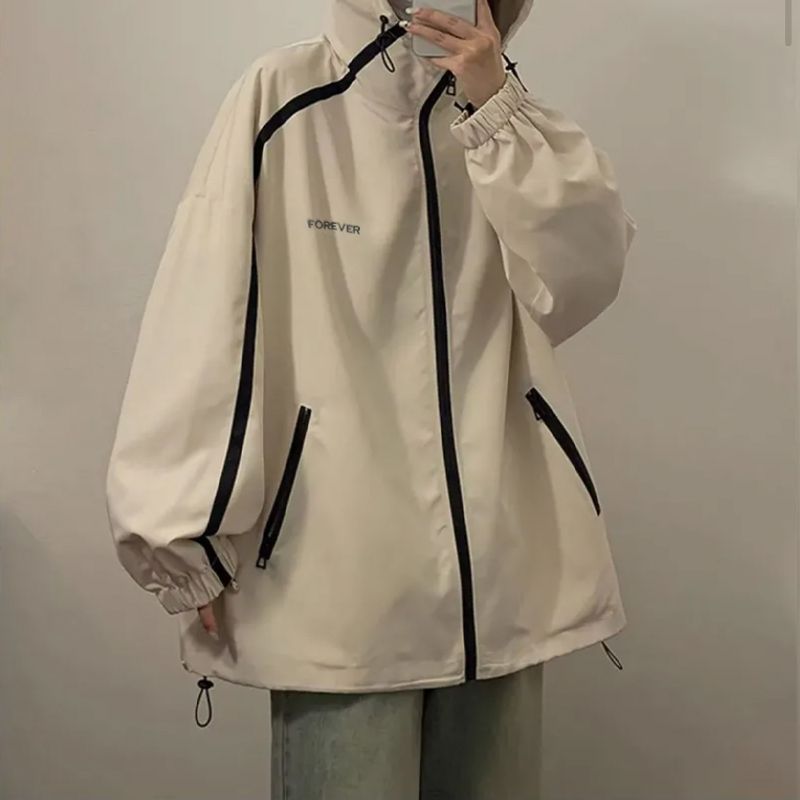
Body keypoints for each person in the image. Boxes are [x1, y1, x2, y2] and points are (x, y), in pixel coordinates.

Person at [105, 0, 637, 796]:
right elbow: (207, 308)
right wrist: (180, 532)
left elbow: (584, 278)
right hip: (337, 585)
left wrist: (499, 109)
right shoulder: (284, 97)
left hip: (502, 577)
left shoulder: (500, 118)